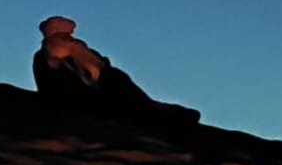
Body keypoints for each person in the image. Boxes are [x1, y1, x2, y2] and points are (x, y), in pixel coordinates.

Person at [32, 16, 200, 126]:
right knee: (117, 80)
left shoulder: (41, 56)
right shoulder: (65, 46)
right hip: (83, 102)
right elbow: (94, 71)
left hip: (69, 101)